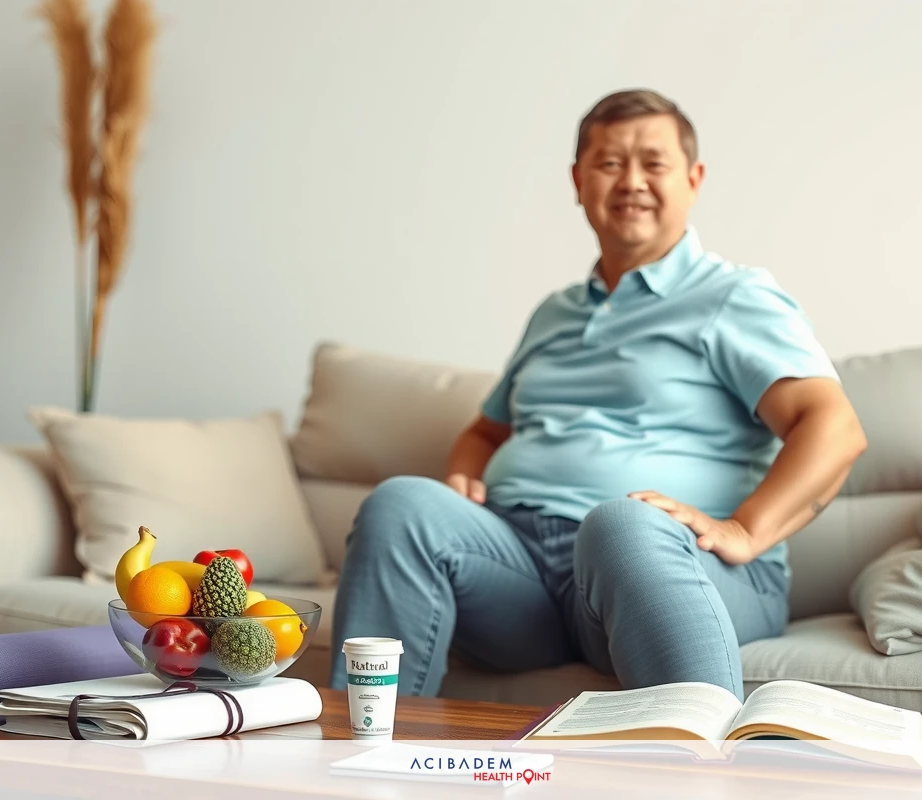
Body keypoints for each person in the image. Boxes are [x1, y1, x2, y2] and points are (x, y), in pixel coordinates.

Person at [328, 88, 867, 701]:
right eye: (610, 163)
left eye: (653, 163)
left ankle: (704, 770)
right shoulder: (553, 314)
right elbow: (485, 431)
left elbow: (834, 427)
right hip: (523, 576)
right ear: (578, 180)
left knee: (620, 525)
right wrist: (463, 479)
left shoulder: (732, 297)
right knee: (401, 503)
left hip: (669, 566)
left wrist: (744, 529)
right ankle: (362, 759)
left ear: (693, 179)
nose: (631, 181)